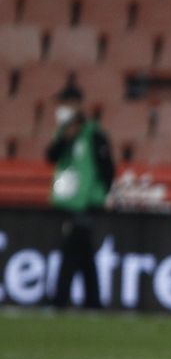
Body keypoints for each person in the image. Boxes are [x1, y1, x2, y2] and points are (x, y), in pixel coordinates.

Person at [45, 81, 115, 310]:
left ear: (76, 105)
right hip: (68, 199)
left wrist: (103, 193)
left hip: (86, 201)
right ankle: (93, 302)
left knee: (71, 249)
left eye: (64, 104)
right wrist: (65, 138)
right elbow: (51, 157)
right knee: (83, 252)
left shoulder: (93, 133)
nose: (61, 109)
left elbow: (107, 167)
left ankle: (59, 300)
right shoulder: (64, 133)